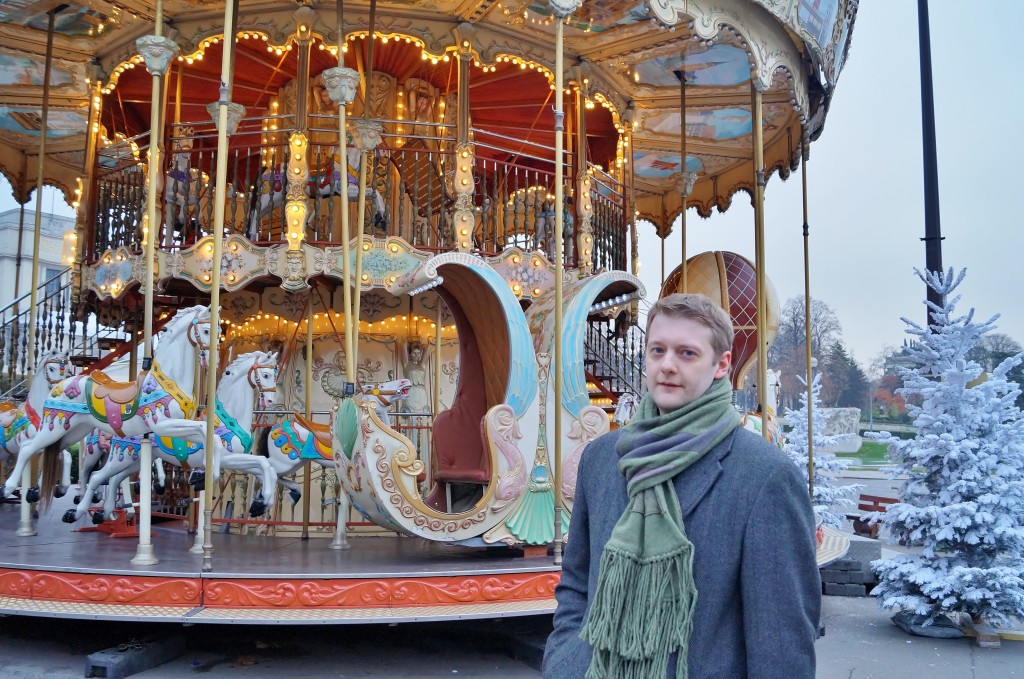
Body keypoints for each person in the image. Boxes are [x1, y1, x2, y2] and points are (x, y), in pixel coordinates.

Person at [543, 293, 820, 678]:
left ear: (721, 364)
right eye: (657, 350)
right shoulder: (603, 459)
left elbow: (780, 641)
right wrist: (564, 664)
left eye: (687, 353)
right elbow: (576, 584)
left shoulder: (764, 476)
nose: (667, 365)